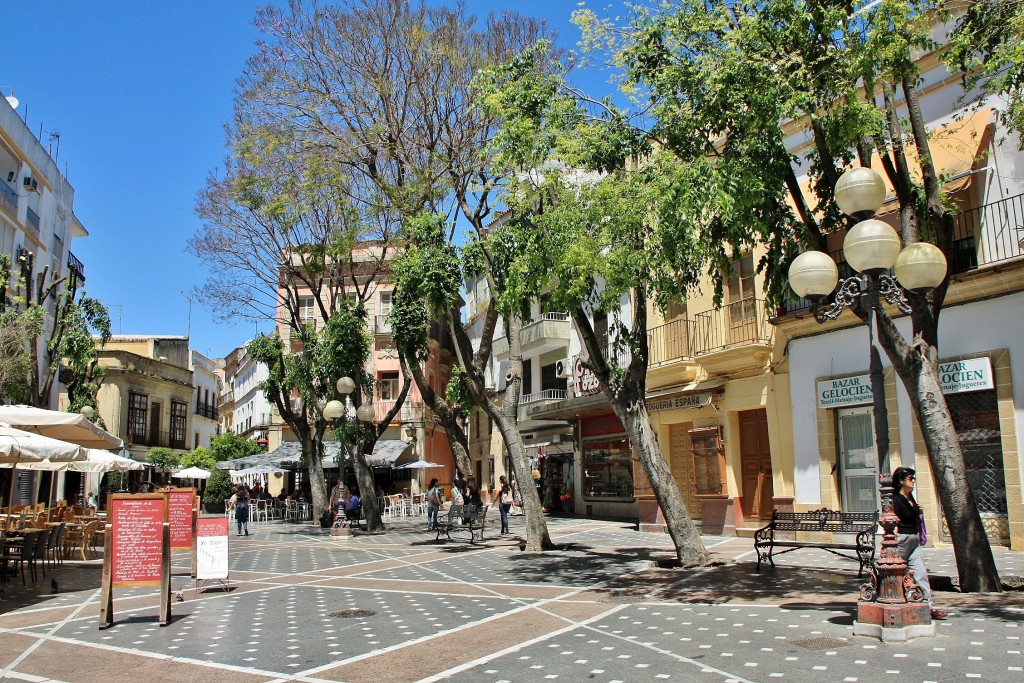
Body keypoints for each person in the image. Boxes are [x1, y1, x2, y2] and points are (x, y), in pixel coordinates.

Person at [891, 467, 946, 620]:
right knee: (894, 573)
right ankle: (894, 603)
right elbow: (895, 519)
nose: (913, 481)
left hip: (914, 540)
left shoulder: (910, 497)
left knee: (921, 574)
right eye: (910, 478)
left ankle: (929, 607)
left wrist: (917, 509)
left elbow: (912, 514)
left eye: (913, 478)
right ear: (901, 481)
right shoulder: (895, 499)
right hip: (902, 539)